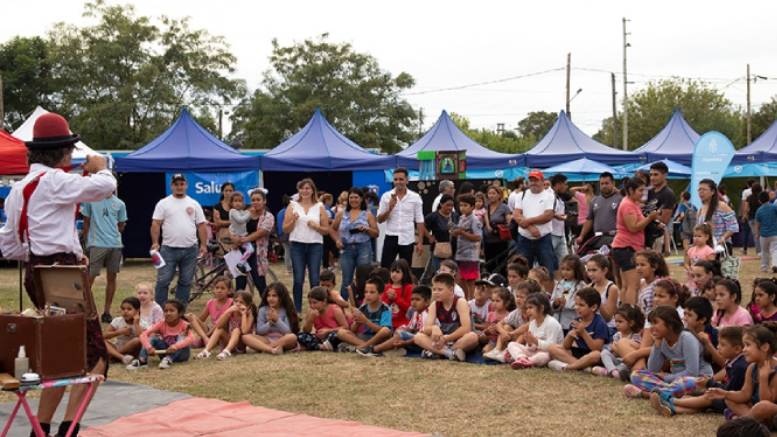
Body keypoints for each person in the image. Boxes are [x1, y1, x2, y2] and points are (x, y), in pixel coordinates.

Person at [0, 112, 116, 437]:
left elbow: (9, 247)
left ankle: (43, 430)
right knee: (96, 358)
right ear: (63, 152)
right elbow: (106, 186)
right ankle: (69, 430)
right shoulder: (56, 181)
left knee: (61, 355)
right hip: (63, 273)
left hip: (35, 273)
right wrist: (100, 165)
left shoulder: (18, 189)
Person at [650, 326, 746, 417]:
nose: (718, 347)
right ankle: (672, 409)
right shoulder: (732, 362)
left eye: (723, 345)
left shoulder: (739, 367)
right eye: (719, 343)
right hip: (727, 398)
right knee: (693, 398)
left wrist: (710, 383)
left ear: (737, 349)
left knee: (708, 397)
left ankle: (670, 400)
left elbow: (730, 392)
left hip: (733, 402)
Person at [150, 173, 208, 306]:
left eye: (182, 184)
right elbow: (156, 223)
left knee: (186, 281)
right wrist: (155, 242)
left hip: (190, 249)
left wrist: (204, 244)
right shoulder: (163, 203)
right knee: (163, 280)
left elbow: (201, 225)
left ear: (186, 185)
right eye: (176, 184)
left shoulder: (194, 203)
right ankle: (160, 310)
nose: (179, 187)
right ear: (171, 186)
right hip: (168, 249)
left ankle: (179, 311)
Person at [705, 324, 777, 421]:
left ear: (764, 347)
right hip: (757, 409)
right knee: (730, 400)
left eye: (748, 345)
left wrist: (763, 379)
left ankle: (743, 422)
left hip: (771, 411)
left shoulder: (775, 370)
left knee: (763, 407)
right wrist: (725, 394)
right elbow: (745, 394)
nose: (744, 350)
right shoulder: (752, 367)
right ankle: (752, 421)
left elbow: (767, 401)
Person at [283, 178, 330, 312]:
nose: (305, 191)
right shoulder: (292, 205)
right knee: (298, 279)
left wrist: (316, 226)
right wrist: (293, 220)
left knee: (314, 278)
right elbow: (285, 229)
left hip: (315, 245)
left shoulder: (319, 206)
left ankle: (316, 308)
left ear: (312, 190)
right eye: (302, 188)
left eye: (308, 188)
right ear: (299, 190)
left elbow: (326, 230)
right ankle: (297, 310)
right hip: (297, 245)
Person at [81, 188, 127, 323]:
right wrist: (86, 243)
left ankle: (107, 312)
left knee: (112, 277)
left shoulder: (120, 203)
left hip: (115, 245)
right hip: (96, 244)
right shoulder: (91, 201)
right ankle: (85, 309)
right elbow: (86, 223)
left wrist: (111, 234)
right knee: (89, 277)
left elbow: (121, 225)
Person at [612, 176, 659, 306]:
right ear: (631, 190)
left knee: (626, 285)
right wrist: (650, 218)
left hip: (624, 248)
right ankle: (630, 314)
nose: (642, 193)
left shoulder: (632, 203)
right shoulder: (627, 205)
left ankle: (623, 312)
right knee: (633, 285)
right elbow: (633, 227)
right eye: (640, 190)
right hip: (627, 248)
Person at [413, 272, 479, 360]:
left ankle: (436, 352)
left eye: (440, 290)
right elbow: (426, 328)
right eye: (434, 289)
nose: (436, 292)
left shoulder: (460, 302)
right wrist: (434, 328)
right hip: (443, 341)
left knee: (472, 337)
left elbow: (466, 328)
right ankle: (449, 353)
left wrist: (446, 338)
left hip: (459, 340)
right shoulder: (435, 304)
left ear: (451, 289)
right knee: (418, 337)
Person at [547, 287, 611, 371]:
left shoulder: (600, 323)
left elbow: (596, 348)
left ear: (593, 307)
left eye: (581, 305)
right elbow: (566, 346)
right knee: (552, 348)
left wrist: (583, 333)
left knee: (596, 354)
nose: (577, 307)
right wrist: (570, 335)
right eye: (576, 304)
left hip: (590, 355)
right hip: (577, 353)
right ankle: (583, 367)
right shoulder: (576, 321)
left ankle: (569, 367)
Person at [332, 187, 379, 299]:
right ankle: (343, 306)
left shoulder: (367, 214)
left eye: (356, 197)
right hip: (346, 248)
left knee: (363, 277)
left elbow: (376, 233)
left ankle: (362, 305)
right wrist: (337, 240)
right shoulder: (341, 214)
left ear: (361, 199)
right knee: (346, 279)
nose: (353, 200)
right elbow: (332, 229)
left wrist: (367, 229)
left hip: (364, 247)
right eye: (351, 197)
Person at [377, 168, 426, 268]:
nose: (398, 182)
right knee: (385, 268)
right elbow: (379, 220)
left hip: (407, 237)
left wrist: (420, 242)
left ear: (407, 180)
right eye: (395, 179)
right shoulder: (386, 196)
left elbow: (420, 221)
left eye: (401, 179)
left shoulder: (415, 197)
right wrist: (389, 208)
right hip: (391, 236)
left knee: (405, 269)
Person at [128, 299, 194, 370]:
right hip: (165, 352)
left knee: (182, 337)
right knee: (153, 338)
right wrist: (149, 347)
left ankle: (168, 359)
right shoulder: (161, 323)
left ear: (180, 313)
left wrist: (176, 346)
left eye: (172, 311)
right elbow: (143, 335)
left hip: (181, 355)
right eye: (166, 311)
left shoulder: (185, 325)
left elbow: (191, 338)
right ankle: (142, 360)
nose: (168, 313)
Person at [513, 169, 557, 275]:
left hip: (543, 239)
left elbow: (548, 215)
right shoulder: (521, 195)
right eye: (531, 180)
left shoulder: (550, 196)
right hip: (524, 239)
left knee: (547, 271)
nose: (533, 183)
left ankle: (548, 291)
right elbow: (516, 215)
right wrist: (530, 228)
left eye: (536, 180)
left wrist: (527, 221)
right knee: (521, 271)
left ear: (542, 181)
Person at [503, 293, 563, 369]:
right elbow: (530, 348)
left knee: (545, 356)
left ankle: (526, 361)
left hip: (548, 354)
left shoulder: (551, 323)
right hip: (534, 352)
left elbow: (552, 347)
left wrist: (535, 341)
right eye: (527, 308)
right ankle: (521, 358)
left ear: (541, 308)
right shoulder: (533, 323)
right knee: (512, 344)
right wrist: (529, 343)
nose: (527, 311)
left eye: (530, 308)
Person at [338, 277, 394, 357]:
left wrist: (366, 321)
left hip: (379, 339)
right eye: (366, 292)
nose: (368, 295)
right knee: (341, 332)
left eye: (372, 292)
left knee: (385, 330)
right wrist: (357, 322)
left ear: (380, 294)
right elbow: (353, 330)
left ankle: (364, 347)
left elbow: (384, 331)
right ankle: (366, 347)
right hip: (365, 337)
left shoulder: (385, 308)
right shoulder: (363, 308)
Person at [242, 282, 300, 355]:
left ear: (281, 297)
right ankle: (271, 350)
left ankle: (263, 348)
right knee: (245, 337)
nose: (271, 298)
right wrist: (269, 323)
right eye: (268, 296)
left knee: (292, 337)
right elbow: (259, 331)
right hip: (266, 339)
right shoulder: (262, 310)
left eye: (274, 296)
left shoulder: (285, 310)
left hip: (282, 339)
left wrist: (277, 320)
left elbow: (288, 331)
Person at [372, 285, 431, 355]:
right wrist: (400, 330)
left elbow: (421, 336)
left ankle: (375, 349)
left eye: (417, 299)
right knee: (400, 330)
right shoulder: (416, 313)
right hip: (415, 340)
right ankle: (395, 350)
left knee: (402, 334)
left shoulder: (427, 314)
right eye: (412, 299)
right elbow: (410, 328)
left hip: (425, 343)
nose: (414, 302)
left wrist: (405, 342)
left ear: (427, 302)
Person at [234, 189, 274, 293]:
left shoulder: (268, 216)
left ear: (264, 201)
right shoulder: (245, 214)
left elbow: (262, 232)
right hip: (242, 250)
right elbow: (235, 226)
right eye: (253, 200)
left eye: (258, 199)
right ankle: (238, 306)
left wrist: (245, 239)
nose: (255, 202)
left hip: (257, 253)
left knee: (259, 282)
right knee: (240, 282)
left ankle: (266, 306)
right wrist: (235, 238)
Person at [197, 290, 256, 360]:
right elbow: (218, 325)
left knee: (236, 330)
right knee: (220, 330)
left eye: (241, 302)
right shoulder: (231, 313)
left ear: (248, 305)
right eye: (236, 301)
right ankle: (206, 351)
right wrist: (227, 312)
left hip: (240, 345)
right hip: (228, 340)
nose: (238, 304)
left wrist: (243, 314)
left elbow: (244, 331)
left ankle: (226, 351)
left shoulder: (249, 315)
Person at [591, 304, 644, 379]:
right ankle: (612, 371)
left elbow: (637, 347)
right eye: (616, 321)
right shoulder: (617, 335)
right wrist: (613, 349)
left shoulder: (635, 335)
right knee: (604, 353)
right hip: (617, 360)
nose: (617, 324)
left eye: (620, 321)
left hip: (626, 361)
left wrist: (619, 347)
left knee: (624, 366)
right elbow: (613, 350)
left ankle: (610, 372)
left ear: (631, 323)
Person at [576, 172, 622, 247]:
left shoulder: (620, 199)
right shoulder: (594, 200)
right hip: (598, 239)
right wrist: (581, 236)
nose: (604, 186)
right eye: (602, 184)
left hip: (615, 238)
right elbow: (589, 220)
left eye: (607, 183)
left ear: (613, 183)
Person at [297, 286, 349, 351]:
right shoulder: (311, 311)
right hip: (320, 338)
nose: (312, 305)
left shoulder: (334, 309)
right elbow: (306, 331)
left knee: (335, 336)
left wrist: (328, 331)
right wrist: (310, 319)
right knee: (301, 336)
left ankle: (317, 346)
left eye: (315, 302)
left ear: (324, 301)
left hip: (332, 335)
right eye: (310, 303)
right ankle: (321, 347)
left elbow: (345, 327)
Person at [189, 277, 233, 350]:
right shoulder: (211, 302)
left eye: (222, 288)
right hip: (210, 330)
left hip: (223, 332)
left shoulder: (231, 303)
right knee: (190, 316)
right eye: (217, 288)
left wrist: (209, 333)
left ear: (229, 291)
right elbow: (201, 319)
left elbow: (223, 324)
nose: (219, 290)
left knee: (196, 342)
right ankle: (205, 338)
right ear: (213, 289)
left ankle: (207, 339)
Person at [451, 193, 482, 299]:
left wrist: (462, 233)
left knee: (471, 280)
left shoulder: (474, 220)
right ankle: (464, 299)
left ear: (472, 207)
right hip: (460, 254)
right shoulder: (461, 218)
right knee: (461, 279)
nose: (462, 208)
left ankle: (471, 300)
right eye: (461, 205)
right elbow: (459, 232)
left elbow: (478, 237)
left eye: (465, 205)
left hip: (470, 255)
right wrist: (455, 232)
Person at [421, 193, 457, 284]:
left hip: (453, 249)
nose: (449, 208)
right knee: (439, 273)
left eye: (451, 205)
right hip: (438, 250)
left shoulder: (454, 216)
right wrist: (429, 237)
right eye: (447, 205)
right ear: (441, 204)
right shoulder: (433, 216)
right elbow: (421, 226)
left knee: (451, 274)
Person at [697, 179, 738, 252]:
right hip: (705, 248)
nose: (701, 192)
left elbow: (733, 226)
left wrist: (723, 238)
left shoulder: (722, 206)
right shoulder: (700, 210)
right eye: (699, 189)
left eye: (704, 189)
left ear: (712, 192)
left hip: (721, 247)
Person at [646, 162, 676, 253]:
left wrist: (649, 216)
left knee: (654, 265)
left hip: (657, 236)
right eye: (651, 175)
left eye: (656, 174)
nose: (652, 178)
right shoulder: (649, 192)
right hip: (646, 234)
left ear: (665, 175)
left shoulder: (668, 194)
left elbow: (664, 220)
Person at [550, 255, 586, 331]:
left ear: (576, 270)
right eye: (563, 269)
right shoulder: (559, 284)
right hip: (558, 323)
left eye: (568, 270)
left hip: (572, 322)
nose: (565, 272)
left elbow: (581, 304)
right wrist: (556, 303)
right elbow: (552, 301)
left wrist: (565, 304)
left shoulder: (581, 285)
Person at [482, 184, 512, 276]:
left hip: (501, 241)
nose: (491, 195)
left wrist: (501, 227)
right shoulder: (485, 207)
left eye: (493, 193)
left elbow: (509, 223)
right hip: (488, 241)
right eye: (489, 193)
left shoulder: (504, 207)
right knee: (489, 264)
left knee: (501, 264)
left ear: (499, 195)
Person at [104, 297, 143, 365]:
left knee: (137, 340)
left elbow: (143, 339)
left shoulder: (142, 323)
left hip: (132, 351)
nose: (125, 311)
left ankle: (114, 356)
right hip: (117, 347)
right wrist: (119, 332)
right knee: (101, 341)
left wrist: (136, 324)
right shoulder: (117, 321)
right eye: (123, 309)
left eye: (129, 309)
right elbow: (104, 335)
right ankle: (121, 357)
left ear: (137, 311)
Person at [382, 259, 414, 329]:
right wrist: (389, 300)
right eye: (392, 271)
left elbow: (410, 309)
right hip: (387, 324)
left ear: (404, 273)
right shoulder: (387, 287)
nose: (394, 274)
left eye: (397, 272)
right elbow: (382, 307)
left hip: (404, 324)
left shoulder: (409, 288)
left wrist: (396, 299)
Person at [754, 190, 777, 273]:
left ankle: (764, 267)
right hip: (775, 233)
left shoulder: (759, 210)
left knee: (764, 252)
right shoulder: (774, 207)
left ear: (759, 201)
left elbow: (757, 223)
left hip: (763, 235)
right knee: (775, 250)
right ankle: (775, 264)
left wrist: (757, 233)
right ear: (769, 198)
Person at [549, 174, 569, 261]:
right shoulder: (549, 196)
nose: (567, 187)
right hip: (551, 234)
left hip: (560, 234)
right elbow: (544, 212)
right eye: (565, 184)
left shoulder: (558, 197)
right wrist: (557, 216)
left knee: (565, 262)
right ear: (558, 185)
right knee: (545, 261)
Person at [742, 183, 763, 256]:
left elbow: (746, 208)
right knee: (763, 234)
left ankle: (759, 251)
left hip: (752, 218)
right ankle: (764, 250)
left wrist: (745, 216)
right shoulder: (761, 198)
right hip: (761, 218)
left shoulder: (749, 198)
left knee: (756, 235)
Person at [277, 194, 292, 273]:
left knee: (287, 250)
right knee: (291, 251)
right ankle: (291, 268)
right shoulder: (288, 211)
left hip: (281, 234)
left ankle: (288, 268)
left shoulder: (280, 212)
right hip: (288, 233)